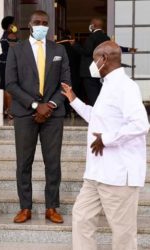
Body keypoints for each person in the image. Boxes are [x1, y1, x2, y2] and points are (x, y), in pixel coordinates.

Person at [61, 41, 149, 250]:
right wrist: (74, 100)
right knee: (81, 218)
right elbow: (98, 118)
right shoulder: (107, 85)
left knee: (123, 233)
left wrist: (106, 139)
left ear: (104, 59)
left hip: (118, 175)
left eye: (93, 60)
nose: (92, 64)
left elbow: (141, 124)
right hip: (96, 173)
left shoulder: (126, 87)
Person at [6, 10, 71, 224]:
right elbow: (10, 84)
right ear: (30, 24)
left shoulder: (59, 49)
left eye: (45, 22)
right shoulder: (16, 50)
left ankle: (51, 207)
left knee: (53, 163)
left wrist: (50, 105)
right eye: (37, 22)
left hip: (53, 114)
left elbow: (65, 83)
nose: (41, 25)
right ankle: (25, 207)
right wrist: (35, 105)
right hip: (25, 113)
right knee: (24, 162)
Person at [71, 18, 137, 106]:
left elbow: (87, 52)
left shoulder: (91, 37)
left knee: (93, 95)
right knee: (100, 94)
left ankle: (96, 115)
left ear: (93, 26)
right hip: (102, 70)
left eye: (90, 24)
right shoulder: (106, 37)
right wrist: (128, 49)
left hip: (89, 72)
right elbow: (115, 47)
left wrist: (75, 45)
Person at [0, 16, 18, 119]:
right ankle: (10, 111)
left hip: (3, 61)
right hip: (9, 62)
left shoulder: (4, 35)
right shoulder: (11, 35)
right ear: (10, 25)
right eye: (13, 24)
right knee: (9, 86)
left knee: (6, 86)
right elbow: (16, 49)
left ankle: (7, 110)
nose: (15, 26)